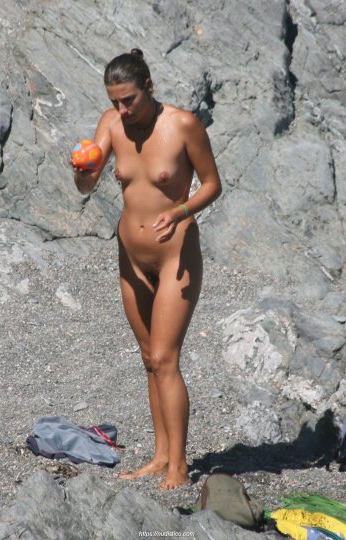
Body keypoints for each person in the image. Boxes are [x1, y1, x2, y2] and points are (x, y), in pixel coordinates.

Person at [73, 48, 222, 490]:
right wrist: (82, 170)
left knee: (164, 358)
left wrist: (179, 212)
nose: (121, 110)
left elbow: (212, 184)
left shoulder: (182, 125)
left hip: (176, 254)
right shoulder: (110, 124)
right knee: (147, 360)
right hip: (131, 256)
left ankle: (180, 466)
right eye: (115, 102)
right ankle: (160, 457)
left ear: (149, 87)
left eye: (129, 100)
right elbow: (87, 184)